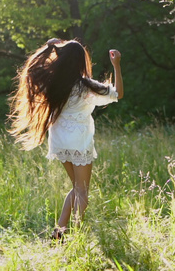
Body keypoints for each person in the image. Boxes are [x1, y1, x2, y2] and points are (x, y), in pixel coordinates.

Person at [8, 38, 123, 240]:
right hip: (79, 142)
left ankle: (59, 232)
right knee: (82, 192)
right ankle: (78, 237)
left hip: (60, 142)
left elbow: (33, 70)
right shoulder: (86, 86)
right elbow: (118, 93)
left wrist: (49, 49)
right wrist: (116, 65)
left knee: (77, 188)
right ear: (80, 61)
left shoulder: (54, 84)